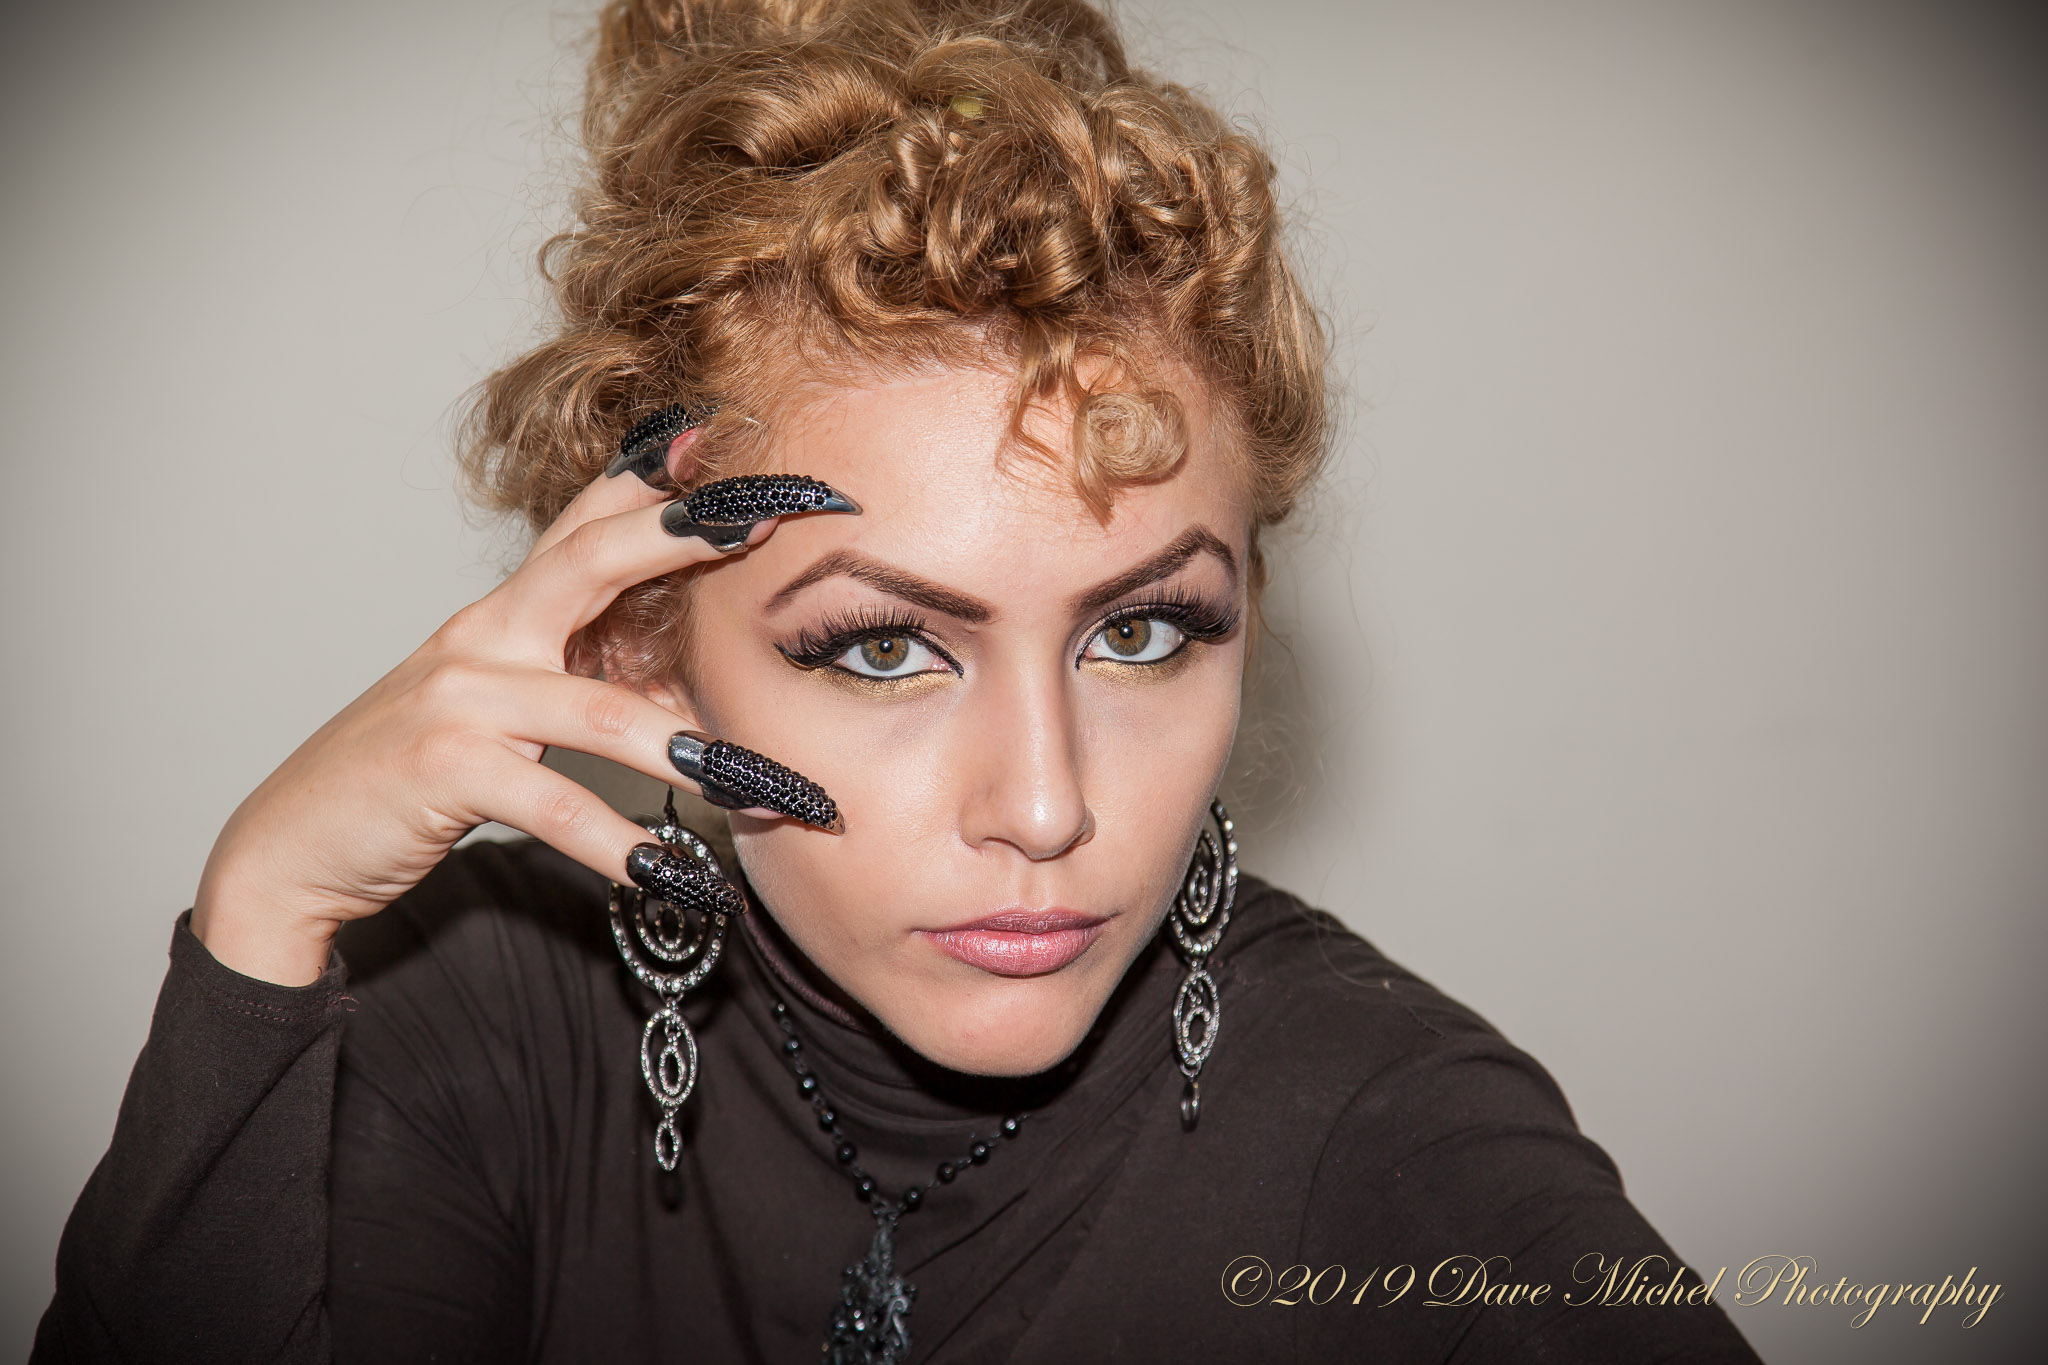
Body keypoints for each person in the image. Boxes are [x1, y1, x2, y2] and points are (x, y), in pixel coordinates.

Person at [33, 2, 1762, 1361]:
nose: (1046, 806)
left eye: (1144, 631)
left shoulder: (1399, 1148)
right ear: (644, 646)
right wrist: (260, 916)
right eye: (882, 646)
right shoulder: (466, 1024)